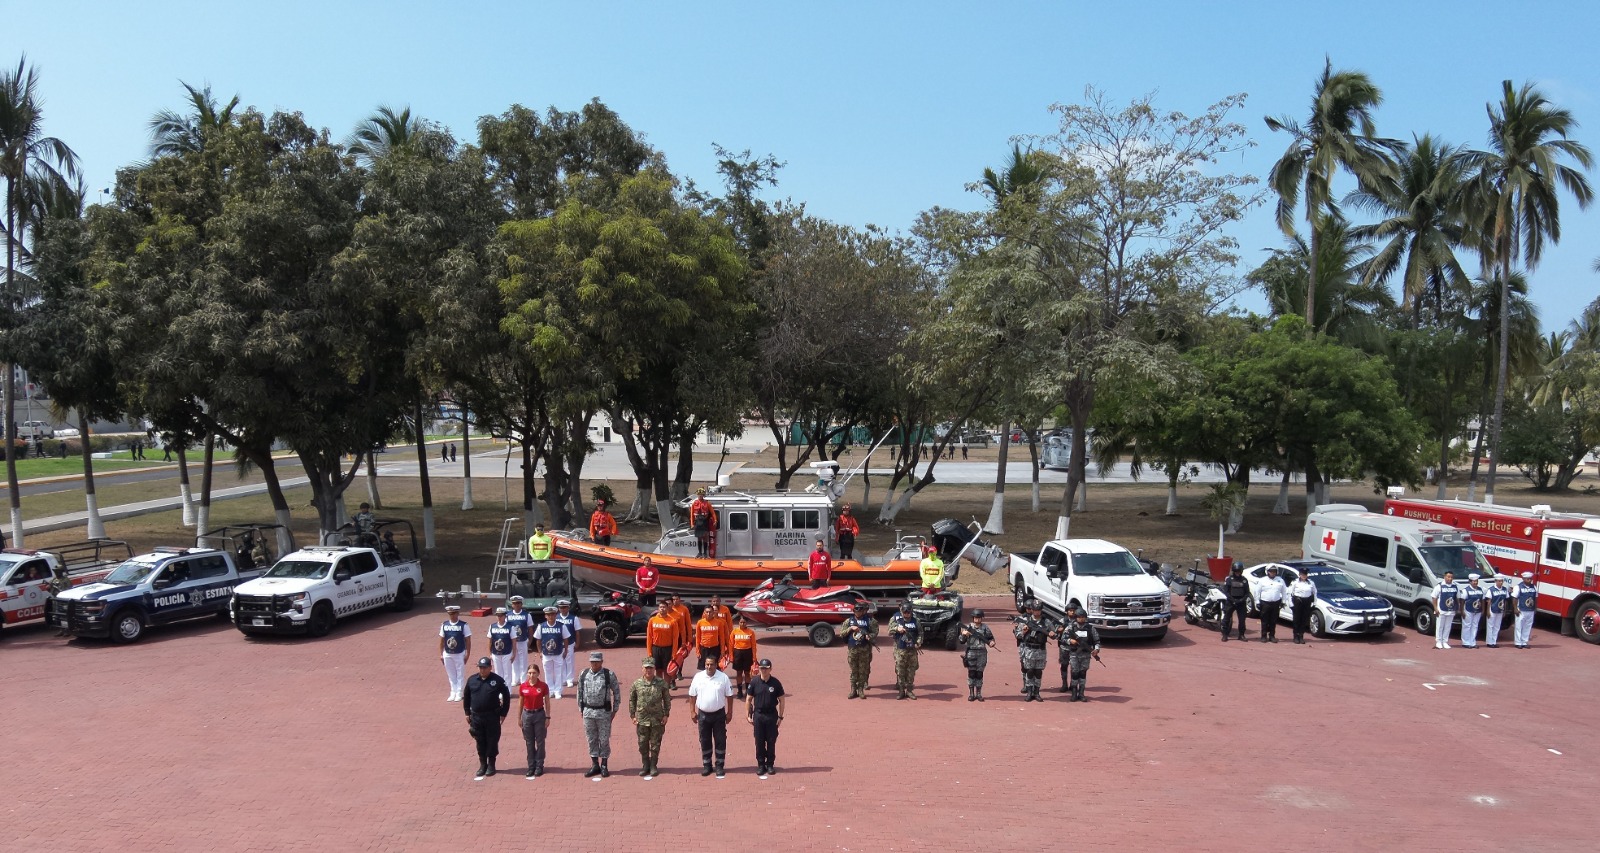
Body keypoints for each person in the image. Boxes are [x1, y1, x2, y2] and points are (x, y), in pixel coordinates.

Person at [463, 657, 511, 780]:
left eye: (485, 668)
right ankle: (483, 764)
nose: (482, 670)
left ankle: (491, 764)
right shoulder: (472, 680)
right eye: (480, 667)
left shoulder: (497, 680)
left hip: (492, 716)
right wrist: (467, 712)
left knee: (492, 740)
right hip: (477, 717)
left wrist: (503, 713)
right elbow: (466, 696)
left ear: (490, 667)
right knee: (480, 740)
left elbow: (506, 696)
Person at [575, 651, 621, 778]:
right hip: (588, 712)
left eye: (597, 662)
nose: (594, 664)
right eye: (592, 662)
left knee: (604, 739)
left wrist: (615, 710)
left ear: (601, 662)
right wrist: (581, 709)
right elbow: (579, 692)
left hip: (603, 712)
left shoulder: (608, 674)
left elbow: (616, 692)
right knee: (591, 739)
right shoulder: (583, 674)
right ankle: (595, 764)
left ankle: (604, 764)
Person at [687, 655, 734, 778]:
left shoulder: (723, 677)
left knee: (720, 740)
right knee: (704, 740)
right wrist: (692, 711)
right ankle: (707, 765)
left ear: (716, 665)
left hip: (719, 715)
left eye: (712, 664)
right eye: (707, 664)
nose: (709, 667)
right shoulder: (698, 677)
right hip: (703, 715)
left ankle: (719, 766)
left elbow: (729, 696)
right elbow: (692, 695)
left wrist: (730, 712)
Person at [629, 658, 672, 778]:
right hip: (642, 719)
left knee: (655, 744)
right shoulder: (636, 684)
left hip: (657, 719)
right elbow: (632, 700)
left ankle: (653, 765)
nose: (648, 670)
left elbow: (667, 699)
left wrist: (666, 714)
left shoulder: (661, 683)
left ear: (654, 669)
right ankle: (645, 765)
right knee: (642, 743)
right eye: (646, 668)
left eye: (651, 668)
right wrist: (632, 715)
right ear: (642, 669)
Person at [746, 658, 785, 778]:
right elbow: (748, 699)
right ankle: (761, 764)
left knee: (771, 740)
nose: (764, 670)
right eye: (762, 668)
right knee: (759, 741)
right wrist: (748, 714)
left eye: (766, 668)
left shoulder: (776, 683)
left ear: (770, 669)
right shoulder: (754, 682)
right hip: (758, 715)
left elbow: (782, 700)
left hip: (771, 715)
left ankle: (770, 764)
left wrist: (780, 716)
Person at [1013, 599, 1053, 701]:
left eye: (1038, 610)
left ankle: (1037, 692)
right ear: (1032, 610)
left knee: (1038, 671)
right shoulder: (1025, 621)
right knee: (1029, 671)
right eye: (1035, 610)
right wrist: (1023, 631)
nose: (1037, 612)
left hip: (1041, 650)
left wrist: (1053, 634)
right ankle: (1029, 692)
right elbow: (1017, 635)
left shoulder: (1046, 622)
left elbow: (1054, 633)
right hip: (1029, 649)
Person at [518, 661, 551, 778]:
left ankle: (539, 765)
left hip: (539, 714)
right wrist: (519, 718)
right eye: (529, 673)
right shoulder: (523, 686)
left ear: (538, 674)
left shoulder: (543, 686)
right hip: (527, 715)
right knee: (529, 741)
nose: (531, 675)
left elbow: (547, 702)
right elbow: (520, 703)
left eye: (534, 673)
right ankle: (531, 765)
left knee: (540, 741)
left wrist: (548, 716)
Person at [1062, 609, 1101, 702]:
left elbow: (1097, 641)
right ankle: (1074, 693)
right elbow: (1063, 638)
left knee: (1083, 673)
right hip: (1074, 654)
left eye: (1083, 617)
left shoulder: (1090, 628)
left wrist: (1096, 649)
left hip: (1086, 654)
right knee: (1075, 673)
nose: (1081, 619)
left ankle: (1081, 693)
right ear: (1076, 617)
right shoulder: (1070, 627)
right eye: (1079, 617)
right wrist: (1070, 641)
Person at [840, 600, 876, 699]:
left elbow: (875, 632)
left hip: (864, 649)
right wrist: (850, 629)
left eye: (860, 611)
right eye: (856, 611)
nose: (858, 613)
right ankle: (853, 689)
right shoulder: (849, 621)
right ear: (854, 611)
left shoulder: (869, 621)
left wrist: (869, 636)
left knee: (862, 670)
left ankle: (860, 690)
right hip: (853, 649)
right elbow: (842, 633)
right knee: (853, 670)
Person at [958, 610, 995, 702]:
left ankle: (978, 693)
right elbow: (961, 641)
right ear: (973, 618)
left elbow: (991, 638)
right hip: (971, 652)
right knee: (971, 673)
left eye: (979, 618)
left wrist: (992, 642)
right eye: (975, 618)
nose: (977, 619)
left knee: (979, 673)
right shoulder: (968, 627)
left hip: (982, 653)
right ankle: (971, 693)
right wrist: (964, 635)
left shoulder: (985, 628)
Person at [533, 606, 568, 698]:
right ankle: (550, 690)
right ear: (545, 616)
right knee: (547, 672)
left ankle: (558, 691)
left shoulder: (561, 626)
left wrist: (566, 650)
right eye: (548, 615)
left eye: (552, 614)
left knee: (558, 672)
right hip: (546, 654)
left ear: (556, 615)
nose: (551, 616)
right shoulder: (541, 626)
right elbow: (538, 640)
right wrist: (540, 652)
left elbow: (565, 639)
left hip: (558, 653)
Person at [888, 601, 921, 699]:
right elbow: (889, 631)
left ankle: (909, 691)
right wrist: (897, 629)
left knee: (911, 671)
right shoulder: (897, 621)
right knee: (900, 671)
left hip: (912, 650)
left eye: (908, 612)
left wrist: (918, 642)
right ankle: (901, 691)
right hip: (900, 649)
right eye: (904, 612)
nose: (906, 614)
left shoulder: (916, 621)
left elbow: (920, 633)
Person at [440, 605, 472, 701]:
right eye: (450, 614)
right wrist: (441, 654)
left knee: (460, 673)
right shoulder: (444, 625)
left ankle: (459, 692)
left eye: (454, 614)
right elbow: (442, 640)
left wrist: (468, 653)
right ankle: (453, 691)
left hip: (459, 653)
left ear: (458, 613)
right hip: (447, 653)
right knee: (451, 674)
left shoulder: (463, 625)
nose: (452, 616)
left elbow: (468, 640)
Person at [504, 595, 532, 685]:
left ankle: (523, 679)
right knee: (514, 659)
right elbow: (505, 628)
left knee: (523, 661)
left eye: (518, 603)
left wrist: (530, 640)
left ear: (521, 604)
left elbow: (530, 628)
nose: (516, 605)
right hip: (512, 641)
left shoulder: (527, 615)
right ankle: (515, 679)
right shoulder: (507, 615)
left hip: (523, 640)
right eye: (514, 603)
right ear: (512, 605)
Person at [730, 613, 759, 699]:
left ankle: (747, 691)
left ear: (747, 623)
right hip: (737, 653)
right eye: (741, 622)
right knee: (739, 672)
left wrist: (754, 657)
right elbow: (731, 644)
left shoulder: (750, 632)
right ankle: (739, 691)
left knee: (747, 673)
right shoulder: (734, 631)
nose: (742, 624)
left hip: (747, 653)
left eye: (744, 622)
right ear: (738, 623)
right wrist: (731, 656)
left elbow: (753, 645)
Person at [1219, 563, 1250, 642]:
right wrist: (1233, 600)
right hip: (1231, 602)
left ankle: (1241, 635)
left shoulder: (1244, 580)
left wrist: (1241, 600)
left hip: (1241, 603)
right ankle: (1225, 635)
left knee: (1242, 620)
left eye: (1239, 571)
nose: (1237, 573)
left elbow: (1247, 592)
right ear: (1233, 571)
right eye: (1236, 571)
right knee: (1226, 619)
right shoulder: (1229, 579)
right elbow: (1226, 591)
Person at [646, 602, 677, 678]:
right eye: (660, 607)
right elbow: (649, 637)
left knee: (667, 670)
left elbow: (675, 638)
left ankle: (666, 685)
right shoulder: (652, 620)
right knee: (658, 670)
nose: (662, 609)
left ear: (667, 608)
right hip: (656, 648)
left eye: (664, 607)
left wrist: (674, 653)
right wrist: (649, 652)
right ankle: (659, 685)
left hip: (668, 649)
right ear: (658, 608)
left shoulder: (672, 621)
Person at [1256, 566, 1287, 643]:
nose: (1273, 573)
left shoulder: (1280, 580)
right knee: (1264, 620)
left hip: (1276, 603)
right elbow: (1257, 592)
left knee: (1273, 620)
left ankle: (1272, 636)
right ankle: (1263, 636)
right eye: (1271, 571)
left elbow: (1284, 591)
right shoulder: (1262, 580)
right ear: (1267, 572)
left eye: (1274, 571)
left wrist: (1283, 601)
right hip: (1265, 602)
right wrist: (1257, 602)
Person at [556, 599, 582, 689]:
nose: (563, 609)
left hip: (570, 643)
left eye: (564, 607)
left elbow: (577, 632)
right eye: (561, 608)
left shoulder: (574, 618)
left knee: (569, 662)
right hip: (559, 644)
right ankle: (563, 679)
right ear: (559, 608)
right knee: (561, 662)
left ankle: (570, 679)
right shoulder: (556, 618)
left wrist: (577, 643)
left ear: (568, 608)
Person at [1289, 567, 1318, 644]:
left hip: (1307, 602)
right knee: (1296, 620)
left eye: (1305, 574)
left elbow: (1315, 592)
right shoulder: (1295, 582)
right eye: (1302, 574)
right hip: (1297, 602)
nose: (1304, 576)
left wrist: (1314, 602)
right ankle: (1296, 636)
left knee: (1304, 620)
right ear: (1299, 575)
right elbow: (1289, 593)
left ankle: (1301, 636)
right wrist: (1291, 603)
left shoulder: (1311, 583)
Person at [487, 607, 516, 681]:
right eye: (498, 615)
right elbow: (490, 641)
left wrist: (514, 654)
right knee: (498, 673)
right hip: (495, 653)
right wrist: (490, 653)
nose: (499, 617)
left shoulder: (510, 627)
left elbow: (514, 641)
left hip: (507, 653)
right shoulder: (492, 626)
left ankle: (507, 688)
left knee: (507, 673)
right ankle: (499, 688)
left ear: (505, 616)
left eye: (501, 615)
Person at [1432, 571, 1460, 650]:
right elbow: (1434, 597)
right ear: (1444, 577)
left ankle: (1445, 641)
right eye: (1448, 577)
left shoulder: (1455, 586)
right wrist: (1435, 608)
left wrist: (1457, 608)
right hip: (1441, 609)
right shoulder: (1440, 586)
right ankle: (1438, 641)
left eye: (1451, 577)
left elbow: (1457, 598)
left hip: (1451, 610)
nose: (1450, 578)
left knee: (1448, 626)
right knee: (1440, 626)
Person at [1460, 573, 1487, 648]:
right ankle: (1466, 642)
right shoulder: (1465, 590)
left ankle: (1472, 642)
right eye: (1473, 581)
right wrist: (1462, 611)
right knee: (1467, 626)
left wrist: (1483, 610)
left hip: (1477, 611)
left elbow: (1483, 600)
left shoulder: (1481, 589)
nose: (1475, 583)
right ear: (1470, 581)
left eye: (1476, 581)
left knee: (1475, 626)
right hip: (1468, 610)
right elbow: (1462, 601)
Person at [1512, 572, 1538, 649]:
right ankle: (1518, 642)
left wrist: (1535, 608)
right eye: (1527, 579)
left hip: (1530, 610)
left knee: (1528, 626)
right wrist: (1515, 609)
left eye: (1530, 579)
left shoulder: (1534, 587)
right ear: (1523, 579)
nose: (1529, 580)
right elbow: (1514, 598)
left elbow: (1535, 598)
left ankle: (1524, 642)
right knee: (1519, 626)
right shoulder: (1518, 587)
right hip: (1521, 610)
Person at [689, 488, 716, 558]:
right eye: (699, 494)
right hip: (698, 522)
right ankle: (700, 552)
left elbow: (713, 513)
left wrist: (715, 520)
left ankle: (705, 553)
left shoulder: (707, 503)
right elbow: (691, 515)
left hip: (704, 521)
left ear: (703, 495)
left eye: (701, 494)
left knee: (705, 538)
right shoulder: (694, 503)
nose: (700, 496)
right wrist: (692, 524)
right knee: (699, 538)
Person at [1485, 576, 1510, 648]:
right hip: (1492, 610)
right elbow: (1489, 601)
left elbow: (1505, 601)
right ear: (1495, 581)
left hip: (1500, 610)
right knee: (1490, 626)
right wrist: (1488, 611)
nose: (1501, 582)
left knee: (1497, 626)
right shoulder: (1491, 589)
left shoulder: (1504, 589)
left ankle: (1494, 641)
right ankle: (1489, 642)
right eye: (1499, 581)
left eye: (1502, 581)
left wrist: (1505, 610)